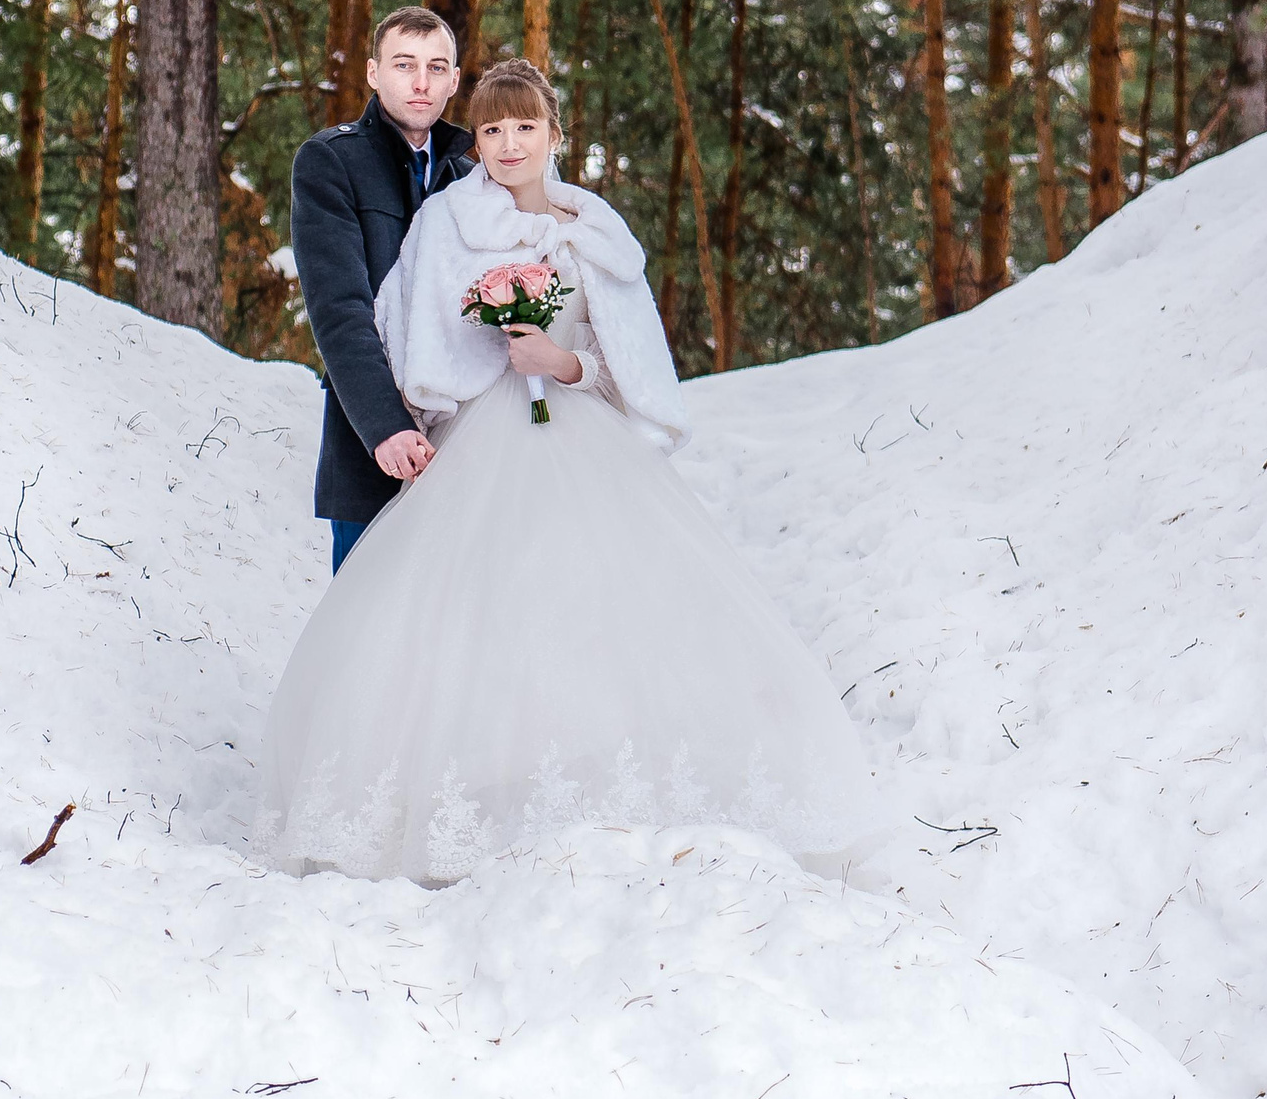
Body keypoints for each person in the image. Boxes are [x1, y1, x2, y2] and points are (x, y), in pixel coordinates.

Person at [259, 59, 883, 885]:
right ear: (473, 140)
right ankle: (479, 799)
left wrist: (564, 361)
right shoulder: (445, 223)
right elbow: (405, 333)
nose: (507, 144)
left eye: (525, 127)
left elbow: (633, 372)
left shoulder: (593, 229)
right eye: (489, 129)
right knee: (481, 617)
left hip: (585, 440)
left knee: (599, 610)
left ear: (556, 134)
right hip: (479, 441)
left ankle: (605, 792)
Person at [288, 7, 474, 573]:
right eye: (404, 65)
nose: (422, 82)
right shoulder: (331, 161)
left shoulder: (471, 179)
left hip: (463, 442)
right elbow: (339, 310)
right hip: (374, 445)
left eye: (436, 67)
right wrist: (385, 425)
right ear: (373, 73)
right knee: (364, 632)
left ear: (455, 80)